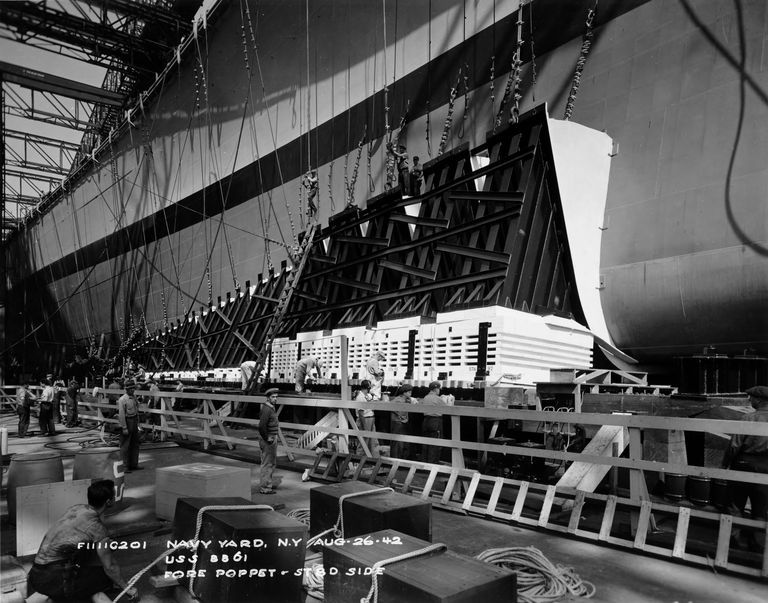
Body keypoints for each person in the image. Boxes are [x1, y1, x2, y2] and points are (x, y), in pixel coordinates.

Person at [27, 479, 138, 602]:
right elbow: (110, 567)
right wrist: (127, 588)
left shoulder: (76, 509)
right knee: (102, 579)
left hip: (36, 574)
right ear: (108, 501)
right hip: (54, 579)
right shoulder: (97, 530)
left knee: (86, 574)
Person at [722, 385, 768, 551]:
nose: (749, 400)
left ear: (759, 400)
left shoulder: (748, 418)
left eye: (752, 397)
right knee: (760, 505)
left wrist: (724, 464)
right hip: (765, 466)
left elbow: (734, 445)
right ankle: (757, 542)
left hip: (744, 463)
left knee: (735, 503)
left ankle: (731, 541)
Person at [420, 381, 451, 464]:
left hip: (426, 421)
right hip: (435, 421)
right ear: (436, 389)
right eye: (439, 389)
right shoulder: (438, 398)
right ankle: (432, 462)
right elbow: (448, 409)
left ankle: (424, 461)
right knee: (435, 442)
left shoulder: (426, 397)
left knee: (426, 442)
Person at [258, 388, 281, 494]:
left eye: (276, 397)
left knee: (271, 462)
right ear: (268, 398)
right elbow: (261, 426)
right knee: (267, 463)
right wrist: (267, 437)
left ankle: (268, 483)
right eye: (273, 397)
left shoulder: (270, 407)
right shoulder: (267, 409)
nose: (275, 399)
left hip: (272, 437)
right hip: (269, 438)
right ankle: (265, 487)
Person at [117, 379, 142, 472]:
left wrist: (138, 425)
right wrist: (124, 427)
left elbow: (137, 412)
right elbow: (121, 415)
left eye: (133, 388)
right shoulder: (123, 399)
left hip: (134, 422)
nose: (132, 390)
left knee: (135, 444)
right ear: (126, 389)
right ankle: (124, 466)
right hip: (127, 422)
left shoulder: (134, 398)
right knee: (125, 446)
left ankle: (134, 464)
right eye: (130, 389)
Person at [355, 380, 379, 458]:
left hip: (370, 418)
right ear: (367, 388)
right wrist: (364, 427)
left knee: (373, 441)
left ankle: (372, 460)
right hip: (365, 419)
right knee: (363, 442)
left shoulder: (366, 396)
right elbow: (361, 414)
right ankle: (359, 461)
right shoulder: (360, 397)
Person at [389, 384, 413, 459]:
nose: (410, 394)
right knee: (397, 443)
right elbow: (390, 406)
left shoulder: (407, 400)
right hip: (397, 422)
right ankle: (395, 458)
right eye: (409, 392)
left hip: (402, 422)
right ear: (404, 392)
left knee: (402, 442)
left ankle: (401, 458)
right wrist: (399, 414)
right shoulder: (398, 400)